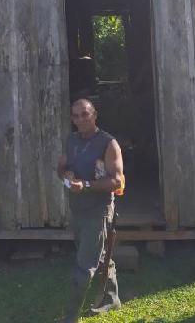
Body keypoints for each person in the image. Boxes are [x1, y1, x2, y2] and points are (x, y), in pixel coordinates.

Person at [57, 98, 124, 323]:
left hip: (99, 209)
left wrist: (84, 185)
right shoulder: (72, 140)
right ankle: (111, 298)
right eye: (76, 116)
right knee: (99, 252)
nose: (81, 120)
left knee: (85, 264)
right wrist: (66, 174)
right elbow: (62, 166)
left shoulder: (108, 143)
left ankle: (70, 316)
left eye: (85, 114)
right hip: (78, 208)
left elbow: (116, 181)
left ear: (95, 114)